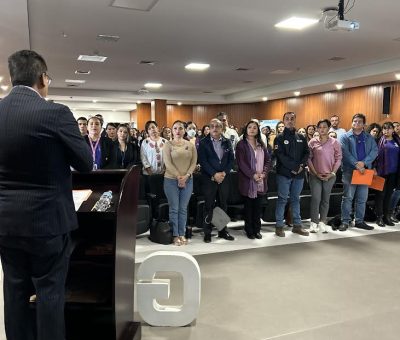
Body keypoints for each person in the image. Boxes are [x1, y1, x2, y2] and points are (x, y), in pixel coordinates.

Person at [0, 50, 93, 340]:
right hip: (47, 223)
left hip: (5, 222)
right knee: (50, 293)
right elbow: (85, 164)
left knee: (14, 291)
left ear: (11, 78)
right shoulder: (55, 112)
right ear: (43, 78)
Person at [198, 118, 235, 243]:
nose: (214, 128)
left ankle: (222, 231)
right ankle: (207, 233)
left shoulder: (227, 142)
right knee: (208, 206)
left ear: (221, 128)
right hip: (209, 178)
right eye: (212, 126)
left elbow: (231, 160)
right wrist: (214, 174)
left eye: (217, 126)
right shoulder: (203, 142)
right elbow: (203, 161)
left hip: (224, 178)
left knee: (222, 205)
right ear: (209, 127)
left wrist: (224, 173)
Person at [339, 113, 378, 231]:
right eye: (355, 121)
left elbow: (374, 151)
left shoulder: (369, 137)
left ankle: (359, 221)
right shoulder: (345, 136)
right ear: (352, 122)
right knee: (348, 197)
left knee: (362, 198)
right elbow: (345, 153)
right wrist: (356, 164)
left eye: (360, 121)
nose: (357, 123)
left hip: (364, 171)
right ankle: (345, 221)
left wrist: (364, 163)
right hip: (349, 171)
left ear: (364, 124)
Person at [274, 112, 310, 237]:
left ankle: (297, 226)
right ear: (283, 121)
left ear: (295, 120)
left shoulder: (301, 137)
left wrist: (301, 166)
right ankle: (279, 226)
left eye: (292, 119)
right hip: (284, 174)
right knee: (282, 199)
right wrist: (294, 167)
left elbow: (306, 153)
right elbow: (281, 156)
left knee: (296, 199)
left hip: (299, 175)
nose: (290, 121)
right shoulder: (279, 138)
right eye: (287, 119)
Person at [163, 120, 198, 245]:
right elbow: (168, 163)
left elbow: (194, 162)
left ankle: (182, 233)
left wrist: (187, 176)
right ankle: (175, 234)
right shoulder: (168, 145)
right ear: (172, 131)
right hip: (171, 180)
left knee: (183, 209)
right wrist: (179, 176)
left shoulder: (191, 145)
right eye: (175, 128)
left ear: (185, 130)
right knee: (174, 208)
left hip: (188, 181)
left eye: (181, 128)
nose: (178, 131)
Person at [236, 121, 271, 239]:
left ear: (258, 130)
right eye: (249, 127)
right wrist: (253, 175)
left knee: (258, 207)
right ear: (246, 129)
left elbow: (268, 161)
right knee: (249, 208)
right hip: (248, 181)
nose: (252, 129)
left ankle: (257, 229)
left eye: (254, 128)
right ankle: (249, 230)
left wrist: (264, 173)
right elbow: (241, 163)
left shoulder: (261, 144)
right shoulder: (241, 144)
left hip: (261, 181)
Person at [307, 119, 342, 233]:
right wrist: (315, 172)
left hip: (330, 176)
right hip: (315, 175)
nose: (322, 129)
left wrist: (332, 173)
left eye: (325, 127)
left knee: (325, 200)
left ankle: (322, 222)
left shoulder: (334, 142)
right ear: (317, 129)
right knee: (316, 199)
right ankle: (314, 222)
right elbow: (308, 158)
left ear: (328, 128)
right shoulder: (312, 142)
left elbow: (338, 158)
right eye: (320, 127)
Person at [374, 122, 400, 226]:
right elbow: (374, 156)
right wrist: (374, 168)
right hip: (380, 172)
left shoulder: (397, 141)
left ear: (393, 130)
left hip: (393, 172)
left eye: (389, 129)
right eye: (384, 129)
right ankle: (379, 217)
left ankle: (386, 216)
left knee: (388, 195)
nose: (386, 131)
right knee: (380, 195)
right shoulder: (378, 141)